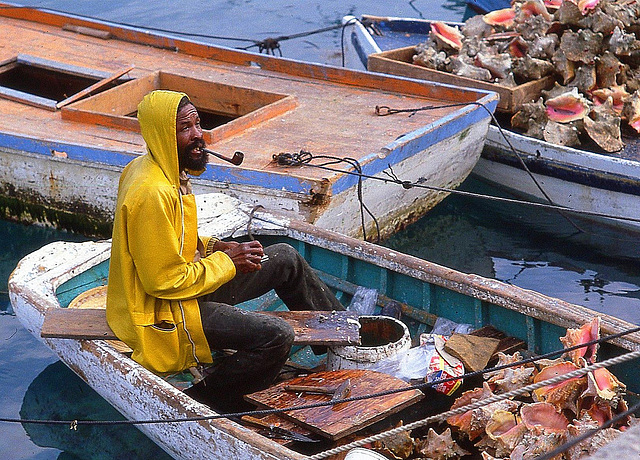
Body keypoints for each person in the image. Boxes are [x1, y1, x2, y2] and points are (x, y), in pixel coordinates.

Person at [106, 90, 343, 411]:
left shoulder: (156, 168)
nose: (197, 135)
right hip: (166, 313)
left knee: (286, 257)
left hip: (188, 290)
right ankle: (209, 400)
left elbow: (173, 241)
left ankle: (343, 346)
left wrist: (216, 246)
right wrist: (227, 261)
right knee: (277, 337)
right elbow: (163, 281)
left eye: (197, 123)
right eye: (184, 128)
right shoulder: (153, 192)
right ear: (163, 134)